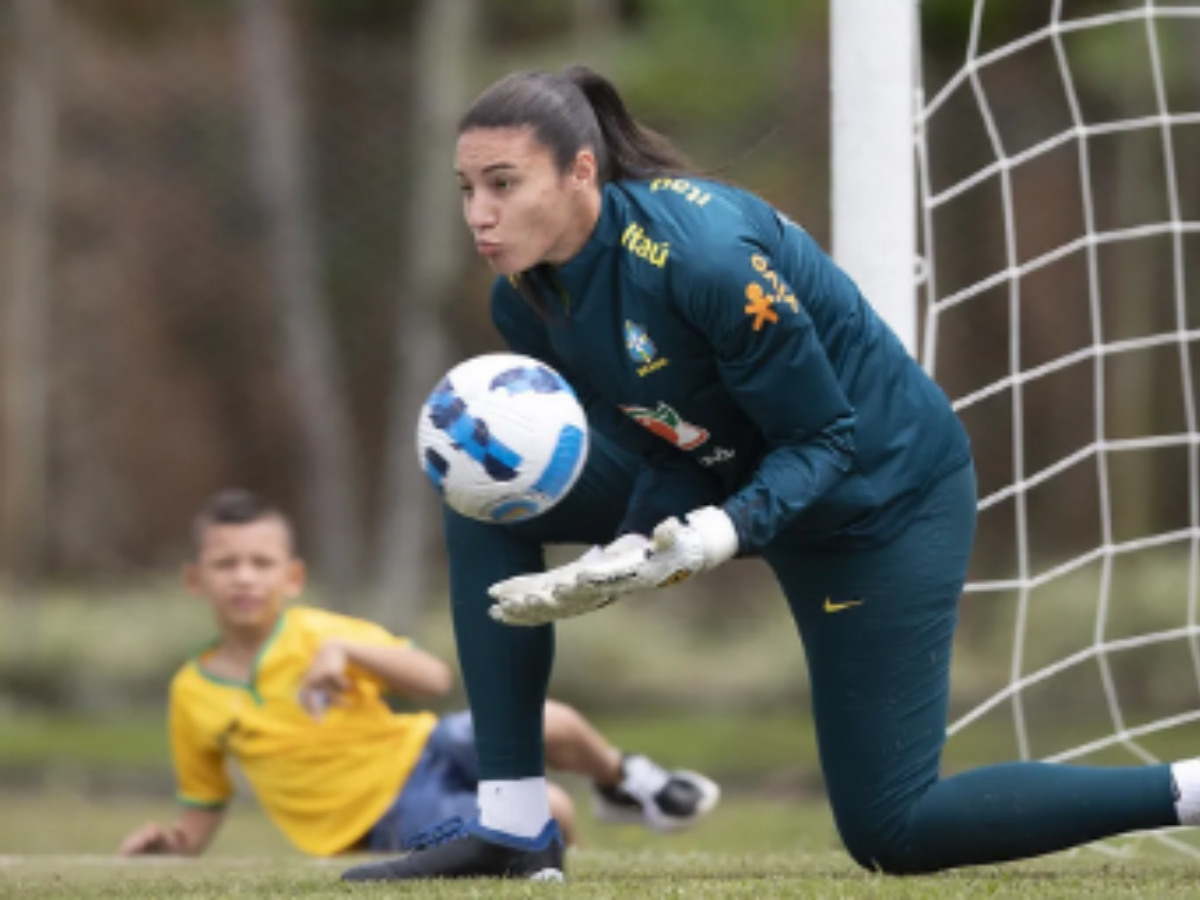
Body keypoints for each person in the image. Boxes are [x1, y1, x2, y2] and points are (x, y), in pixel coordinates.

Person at [340, 63, 1197, 883]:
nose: (479, 214)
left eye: (503, 183)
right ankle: (515, 823)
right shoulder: (523, 298)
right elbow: (650, 438)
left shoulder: (705, 258)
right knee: (482, 491)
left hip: (875, 502)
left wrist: (706, 537)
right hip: (732, 477)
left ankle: (1188, 789)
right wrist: (638, 542)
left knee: (891, 831)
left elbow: (824, 438)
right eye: (467, 189)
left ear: (580, 173)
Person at [117, 489, 719, 860]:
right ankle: (552, 868)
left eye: (260, 562)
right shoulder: (192, 694)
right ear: (196, 580)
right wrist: (173, 846)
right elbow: (202, 805)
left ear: (291, 576)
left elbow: (431, 678)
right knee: (552, 806)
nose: (244, 577)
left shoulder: (318, 631)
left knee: (550, 720)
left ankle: (627, 784)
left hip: (427, 746)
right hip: (383, 815)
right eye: (226, 564)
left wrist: (347, 654)